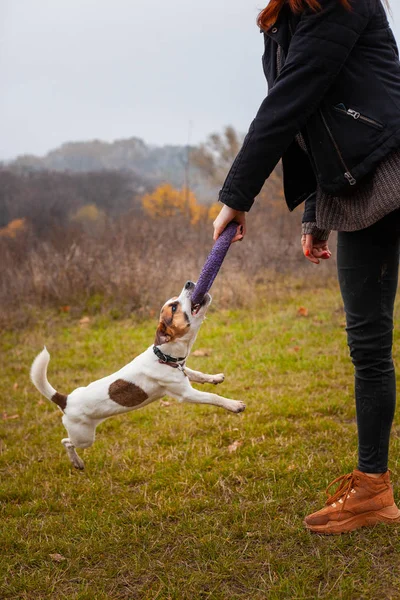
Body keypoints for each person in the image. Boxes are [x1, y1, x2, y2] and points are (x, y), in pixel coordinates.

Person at [213, 0, 400, 534]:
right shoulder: (281, 21)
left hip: (391, 164)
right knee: (367, 341)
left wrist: (237, 194)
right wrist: (317, 212)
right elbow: (303, 114)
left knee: (370, 341)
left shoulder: (346, 3)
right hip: (357, 184)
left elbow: (289, 102)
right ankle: (373, 490)